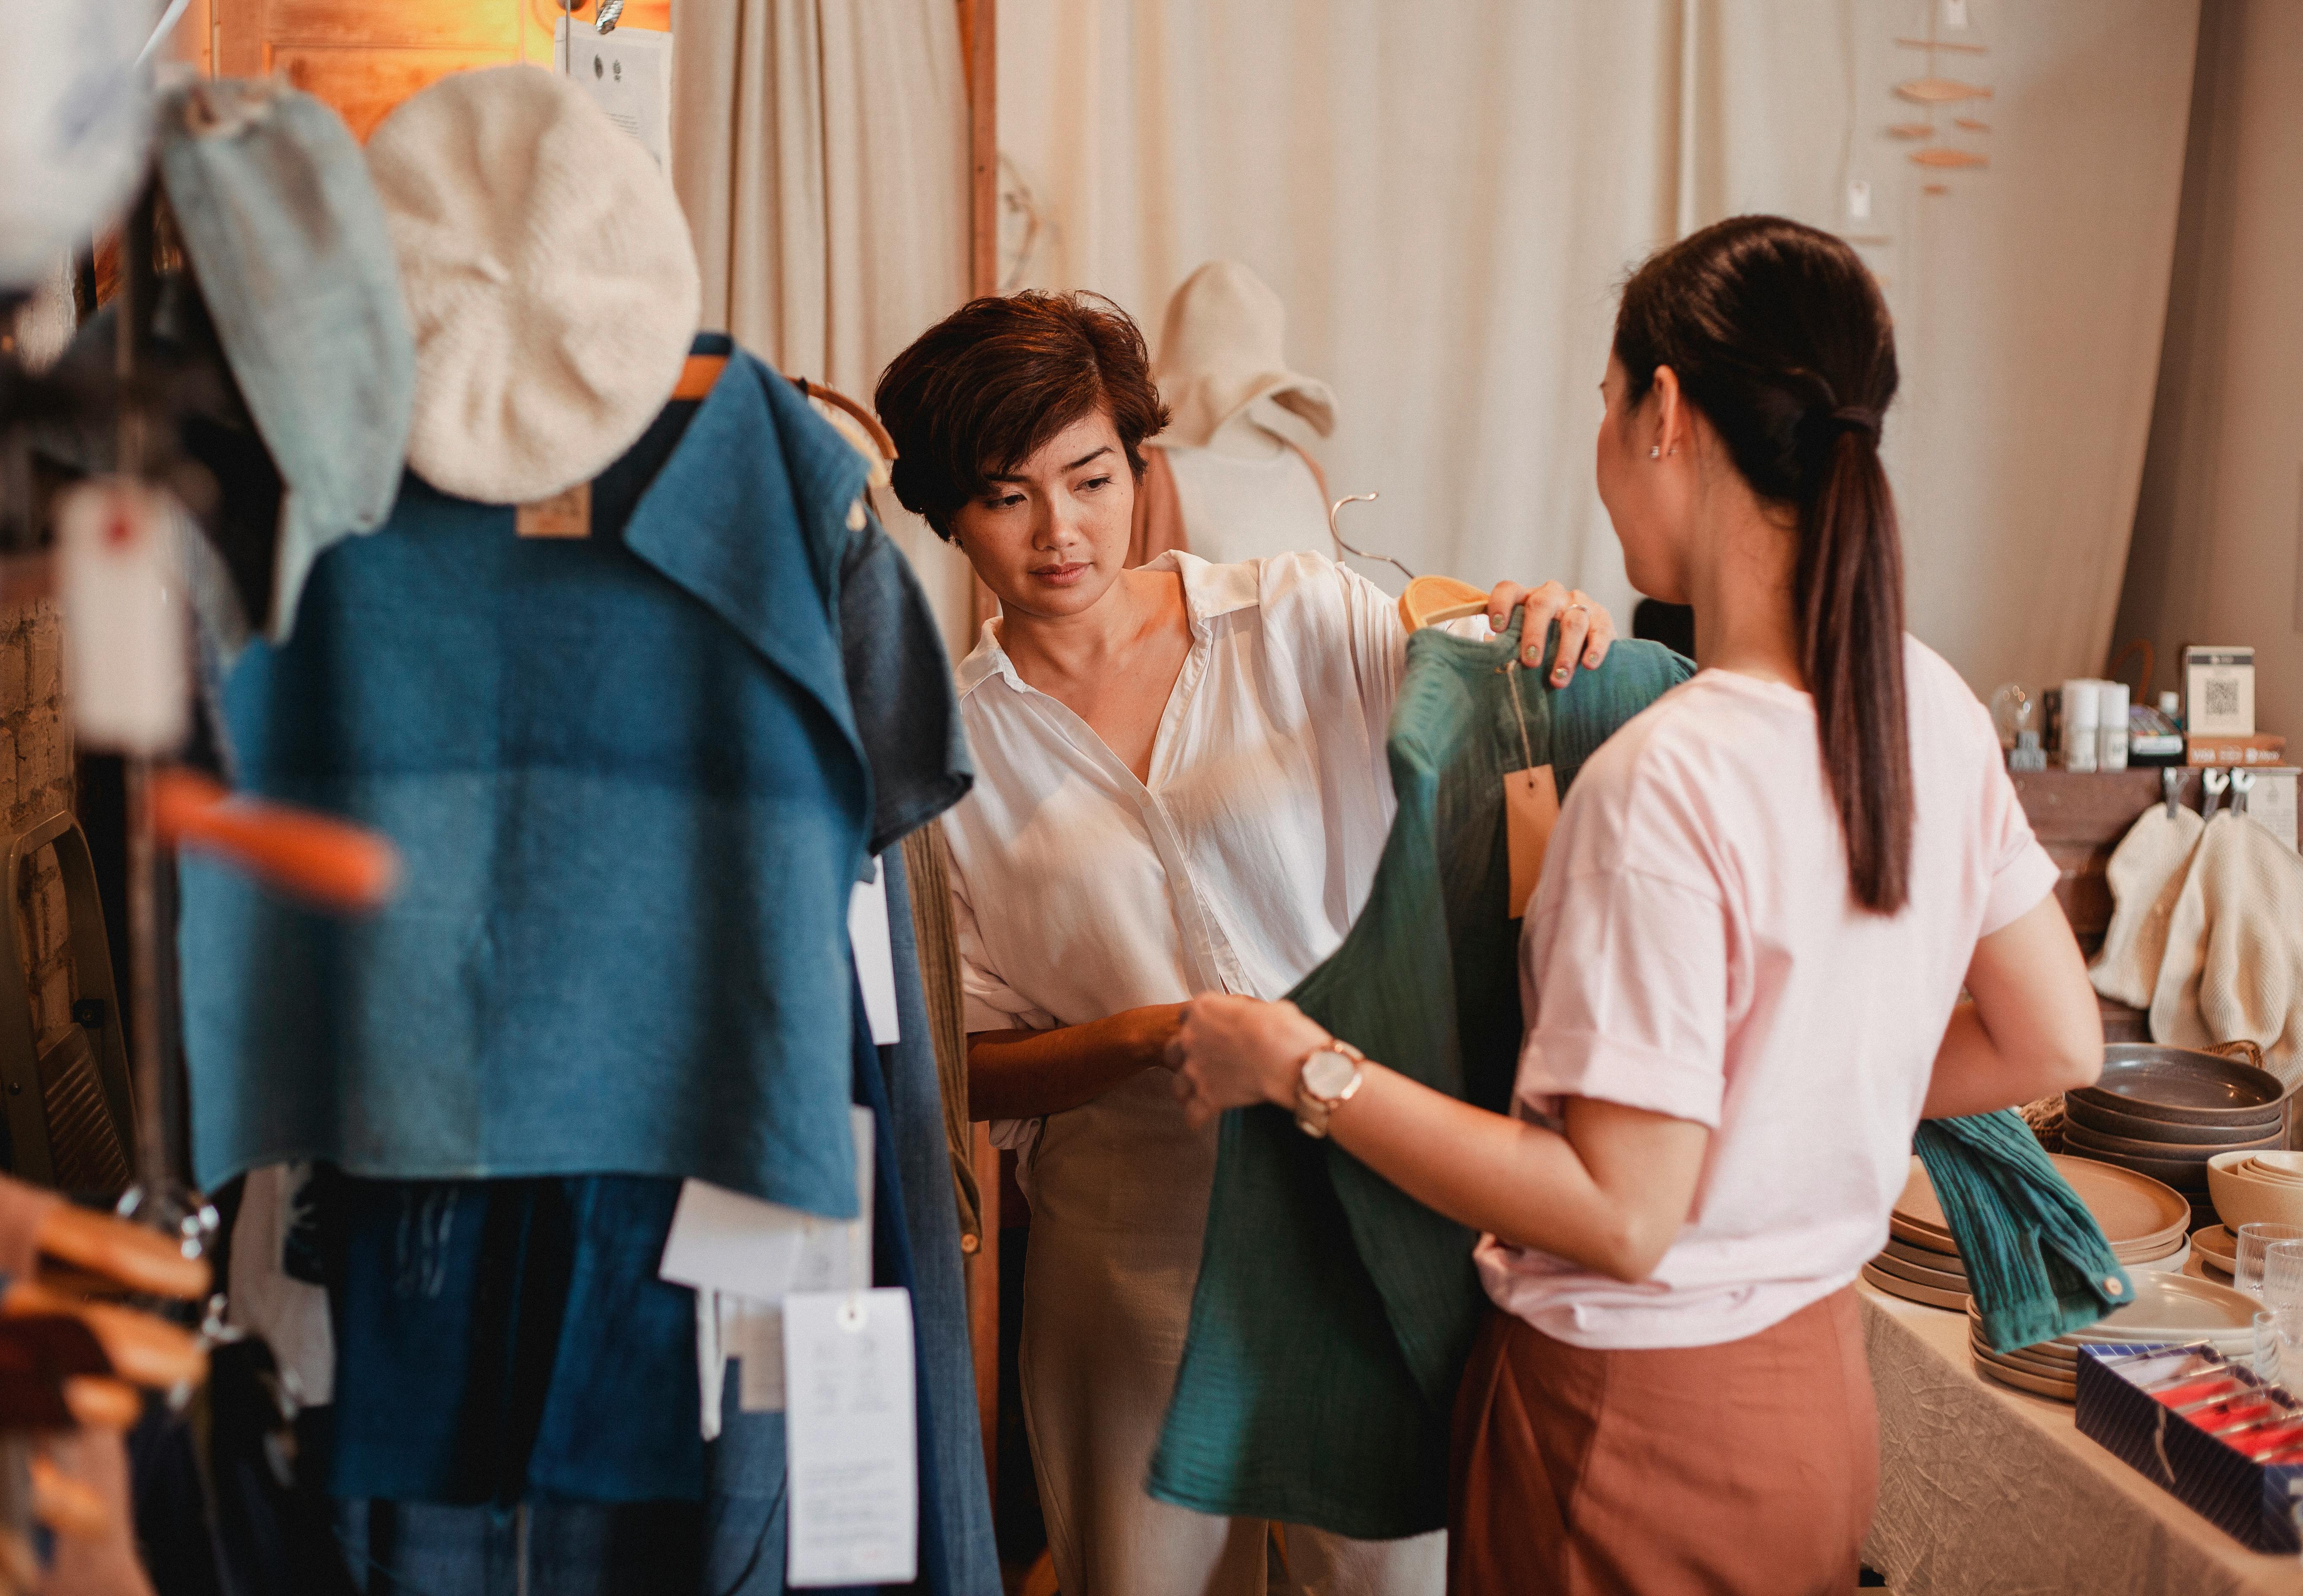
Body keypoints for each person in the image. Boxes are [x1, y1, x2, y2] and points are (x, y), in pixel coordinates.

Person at [1166, 215, 2103, 1596]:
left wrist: (1300, 1066)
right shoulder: (1924, 704)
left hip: (1634, 1432)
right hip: (1818, 1402)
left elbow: (1617, 1215)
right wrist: (1789, 1109)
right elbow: (2054, 1045)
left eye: (1605, 407)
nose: (1600, 450)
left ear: (1665, 412)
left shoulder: (1662, 780)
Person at [874, 290, 1616, 1596]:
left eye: (1091, 477)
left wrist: (1549, 620)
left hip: (1370, 1204)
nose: (1062, 532)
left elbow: (1486, 686)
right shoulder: (942, 751)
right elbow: (963, 1062)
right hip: (1137, 1247)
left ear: (1139, 463)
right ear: (947, 515)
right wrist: (1157, 1038)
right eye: (1006, 497)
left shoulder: (1296, 617)